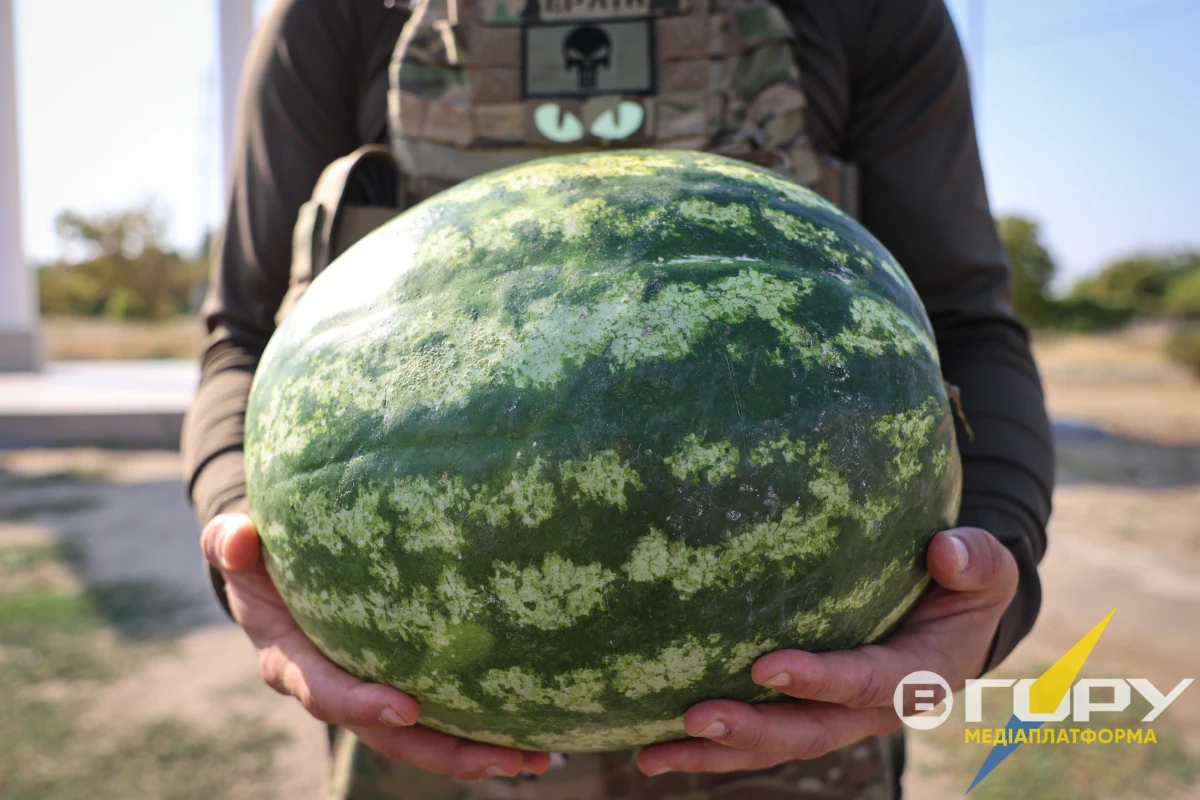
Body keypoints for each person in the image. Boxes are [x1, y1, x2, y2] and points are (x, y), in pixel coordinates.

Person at [182, 0, 1054, 797]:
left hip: (789, 722)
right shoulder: (334, 17)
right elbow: (242, 337)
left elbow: (966, 324)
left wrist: (983, 597)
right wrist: (243, 549)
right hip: (430, 716)